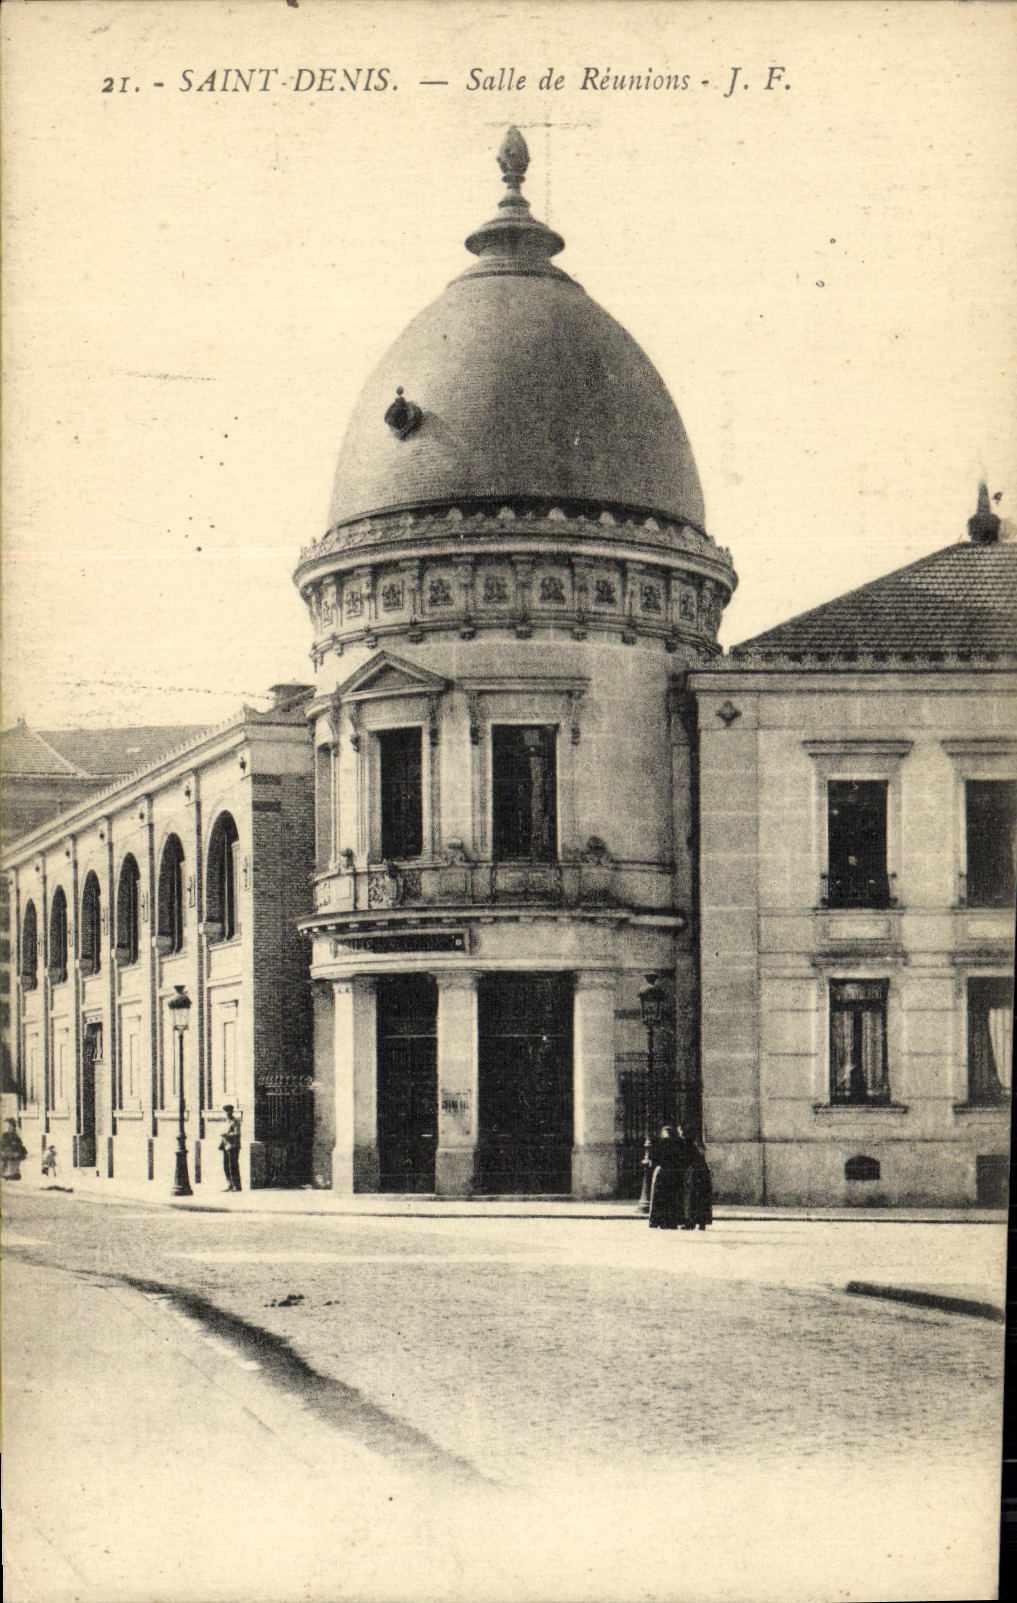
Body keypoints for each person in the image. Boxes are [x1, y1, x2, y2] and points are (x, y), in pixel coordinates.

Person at [648, 1124, 688, 1229]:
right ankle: (673, 1221)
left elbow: (652, 1160)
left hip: (662, 1173)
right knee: (674, 1198)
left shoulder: (659, 1143)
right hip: (675, 1173)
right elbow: (684, 1159)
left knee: (659, 1198)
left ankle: (659, 1221)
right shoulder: (679, 1143)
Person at [683, 1136, 713, 1230]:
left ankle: (692, 1223)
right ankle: (700, 1223)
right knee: (700, 1200)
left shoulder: (694, 1153)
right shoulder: (701, 1155)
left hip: (696, 1176)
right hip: (702, 1176)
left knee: (693, 1200)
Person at [220, 1105, 242, 1192]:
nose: (227, 1113)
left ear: (232, 1112)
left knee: (233, 1166)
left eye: (229, 1111)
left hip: (233, 1146)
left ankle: (236, 1185)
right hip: (225, 1146)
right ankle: (229, 1184)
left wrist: (227, 1134)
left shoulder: (235, 1121)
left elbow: (237, 1133)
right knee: (225, 1166)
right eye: (226, 1112)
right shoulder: (226, 1122)